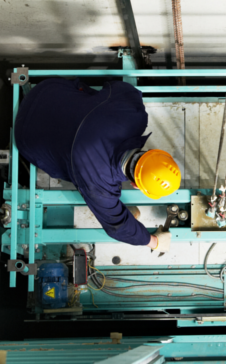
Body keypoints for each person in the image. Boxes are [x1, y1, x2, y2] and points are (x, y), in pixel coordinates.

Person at [14, 78, 180, 252]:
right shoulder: (100, 186)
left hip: (46, 91)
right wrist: (154, 242)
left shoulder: (134, 114)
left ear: (153, 151)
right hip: (27, 135)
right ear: (134, 184)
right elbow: (119, 226)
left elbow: (115, 85)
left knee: (95, 99)